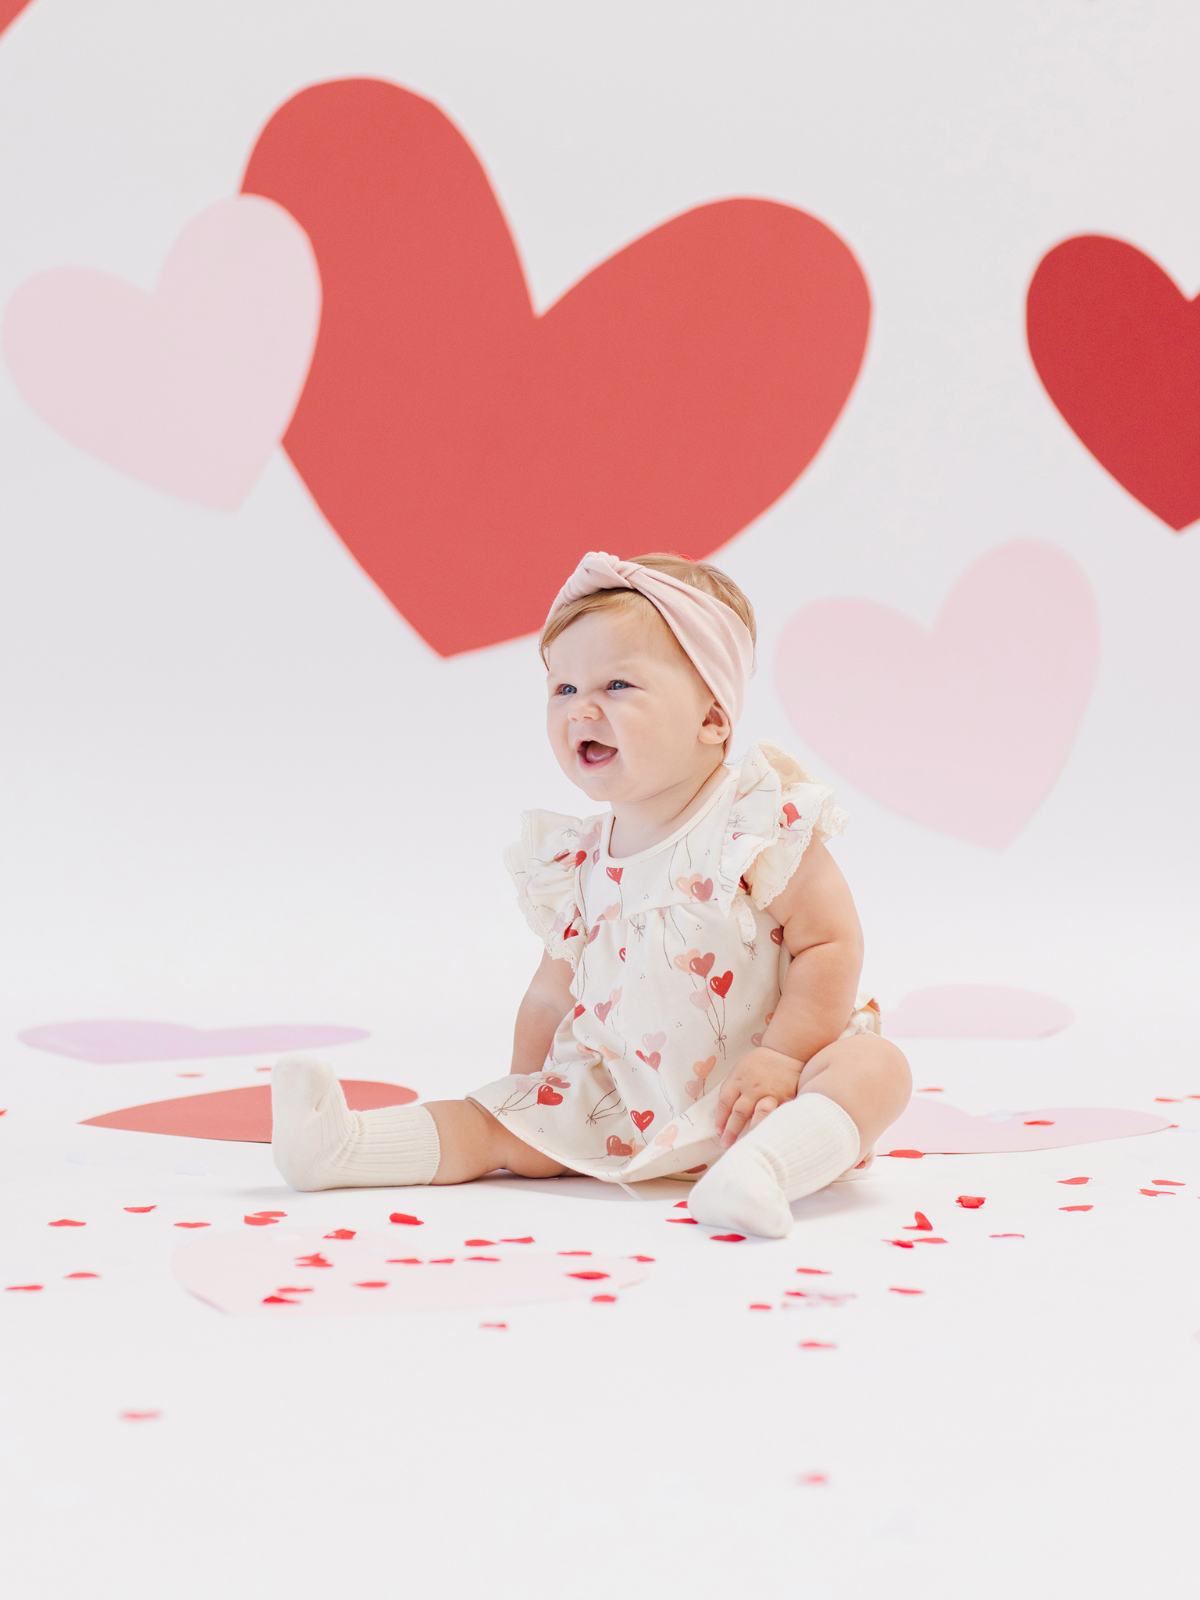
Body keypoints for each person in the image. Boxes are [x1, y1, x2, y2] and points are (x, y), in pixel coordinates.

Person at [270, 551, 911, 1237]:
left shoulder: (752, 822)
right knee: (487, 1125)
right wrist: (522, 1097)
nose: (583, 709)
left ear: (712, 720)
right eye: (564, 690)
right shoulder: (577, 860)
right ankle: (341, 1148)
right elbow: (550, 994)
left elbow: (830, 942)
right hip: (621, 1101)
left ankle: (764, 1170)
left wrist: (784, 1058)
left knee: (876, 1068)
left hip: (758, 1091)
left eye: (616, 684)